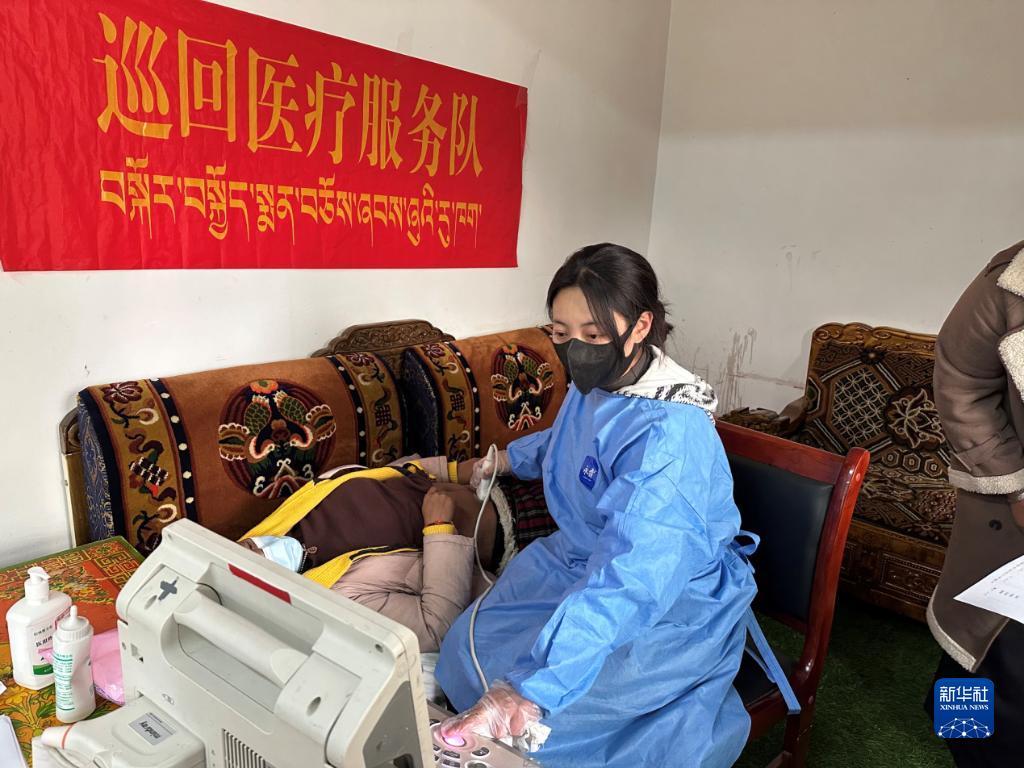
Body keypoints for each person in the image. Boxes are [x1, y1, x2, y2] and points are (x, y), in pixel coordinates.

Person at [436, 243, 772, 767]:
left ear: (641, 326)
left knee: (551, 723)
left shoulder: (670, 436)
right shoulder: (601, 383)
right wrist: (504, 461)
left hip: (665, 600)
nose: (576, 350)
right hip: (578, 563)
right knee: (465, 649)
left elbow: (632, 577)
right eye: (561, 333)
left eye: (593, 335)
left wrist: (529, 692)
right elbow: (568, 440)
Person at [926, 240, 1024, 766]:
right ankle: (962, 737)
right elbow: (961, 378)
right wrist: (1013, 485)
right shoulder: (1012, 279)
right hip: (1012, 522)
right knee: (981, 646)